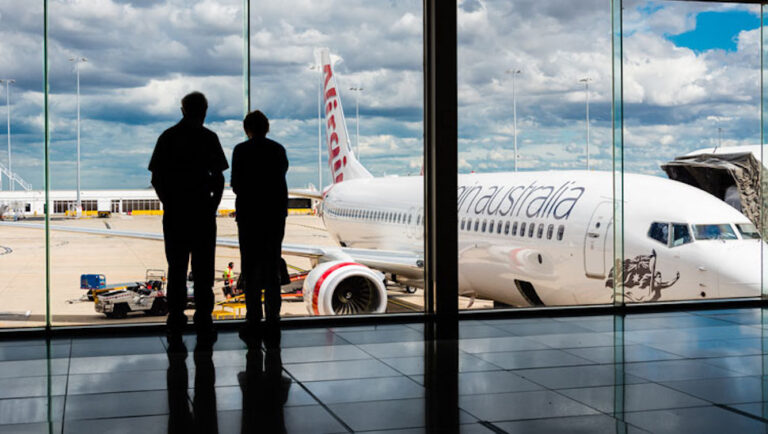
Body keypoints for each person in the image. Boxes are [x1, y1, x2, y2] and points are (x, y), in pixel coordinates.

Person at [148, 91, 228, 346]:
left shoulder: (168, 137)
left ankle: (177, 317)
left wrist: (170, 202)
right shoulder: (209, 138)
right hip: (203, 214)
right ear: (204, 111)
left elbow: (156, 178)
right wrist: (212, 205)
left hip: (176, 215)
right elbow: (219, 177)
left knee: (177, 268)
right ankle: (204, 317)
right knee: (204, 271)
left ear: (182, 110)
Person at [231, 110, 288, 342]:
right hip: (274, 217)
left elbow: (236, 184)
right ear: (267, 128)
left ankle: (253, 320)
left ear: (247, 129)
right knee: (273, 268)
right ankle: (273, 320)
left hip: (250, 217)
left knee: (251, 270)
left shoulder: (241, 151)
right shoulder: (277, 150)